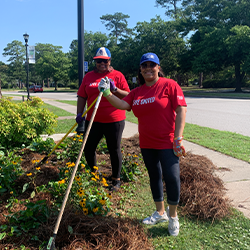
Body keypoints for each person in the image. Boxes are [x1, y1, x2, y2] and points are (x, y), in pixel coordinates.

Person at [98, 52, 187, 236]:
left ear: (158, 68)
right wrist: (107, 93)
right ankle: (159, 212)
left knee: (171, 177)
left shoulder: (169, 85)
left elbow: (181, 109)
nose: (148, 68)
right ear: (140, 69)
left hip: (168, 142)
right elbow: (123, 105)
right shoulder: (137, 92)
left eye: (151, 65)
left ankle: (173, 217)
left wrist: (178, 138)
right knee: (154, 176)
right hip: (147, 143)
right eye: (144, 65)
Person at [76, 47, 130, 191]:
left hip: (114, 120)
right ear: (95, 61)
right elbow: (82, 96)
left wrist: (114, 89)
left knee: (114, 149)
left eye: (104, 61)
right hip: (93, 120)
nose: (101, 63)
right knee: (89, 148)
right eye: (99, 61)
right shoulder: (88, 77)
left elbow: (128, 96)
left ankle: (116, 179)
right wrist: (79, 113)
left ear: (109, 61)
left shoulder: (118, 75)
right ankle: (94, 173)